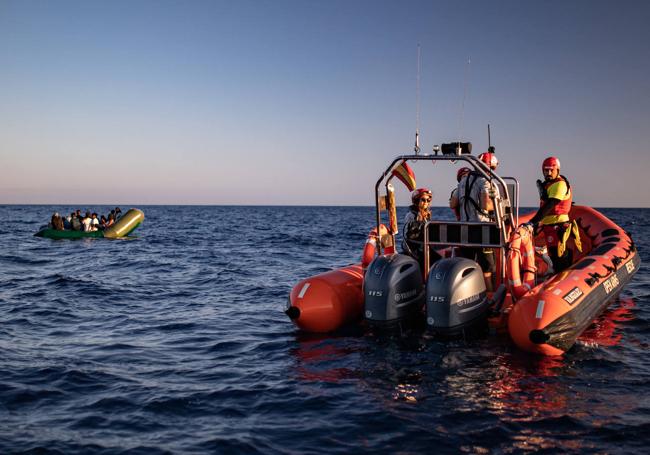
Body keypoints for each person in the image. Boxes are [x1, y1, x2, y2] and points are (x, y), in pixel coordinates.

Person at [450, 152, 500, 291]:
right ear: (489, 167)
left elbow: (453, 204)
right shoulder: (485, 182)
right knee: (487, 271)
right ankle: (490, 299)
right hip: (482, 229)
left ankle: (469, 294)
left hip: (465, 229)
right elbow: (486, 205)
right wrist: (499, 204)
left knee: (469, 266)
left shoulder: (463, 181)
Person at [526, 156, 576, 272]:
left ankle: (563, 280)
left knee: (559, 257)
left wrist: (532, 222)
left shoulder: (560, 184)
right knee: (554, 256)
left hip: (558, 226)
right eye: (546, 170)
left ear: (557, 170)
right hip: (549, 226)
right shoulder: (548, 184)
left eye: (551, 170)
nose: (548, 173)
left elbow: (550, 204)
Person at [402, 188, 442, 269]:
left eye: (428, 200)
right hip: (414, 248)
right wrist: (418, 223)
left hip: (423, 245)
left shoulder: (426, 215)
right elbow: (409, 235)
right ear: (417, 201)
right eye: (423, 200)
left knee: (440, 258)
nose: (426, 202)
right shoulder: (411, 215)